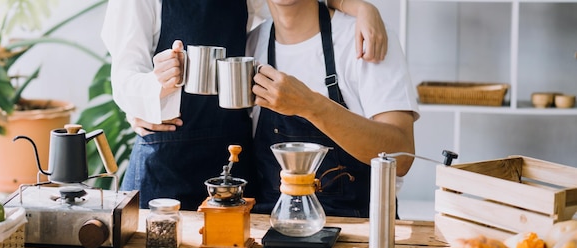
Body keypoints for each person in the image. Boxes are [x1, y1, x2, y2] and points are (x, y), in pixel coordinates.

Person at [101, 0, 390, 210]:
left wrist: (362, 8)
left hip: (234, 165)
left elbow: (290, 6)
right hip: (166, 166)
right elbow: (123, 77)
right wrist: (154, 89)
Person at [246, 0, 419, 217]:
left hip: (361, 233)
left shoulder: (365, 37)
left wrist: (310, 105)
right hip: (272, 229)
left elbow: (401, 155)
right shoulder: (251, 45)